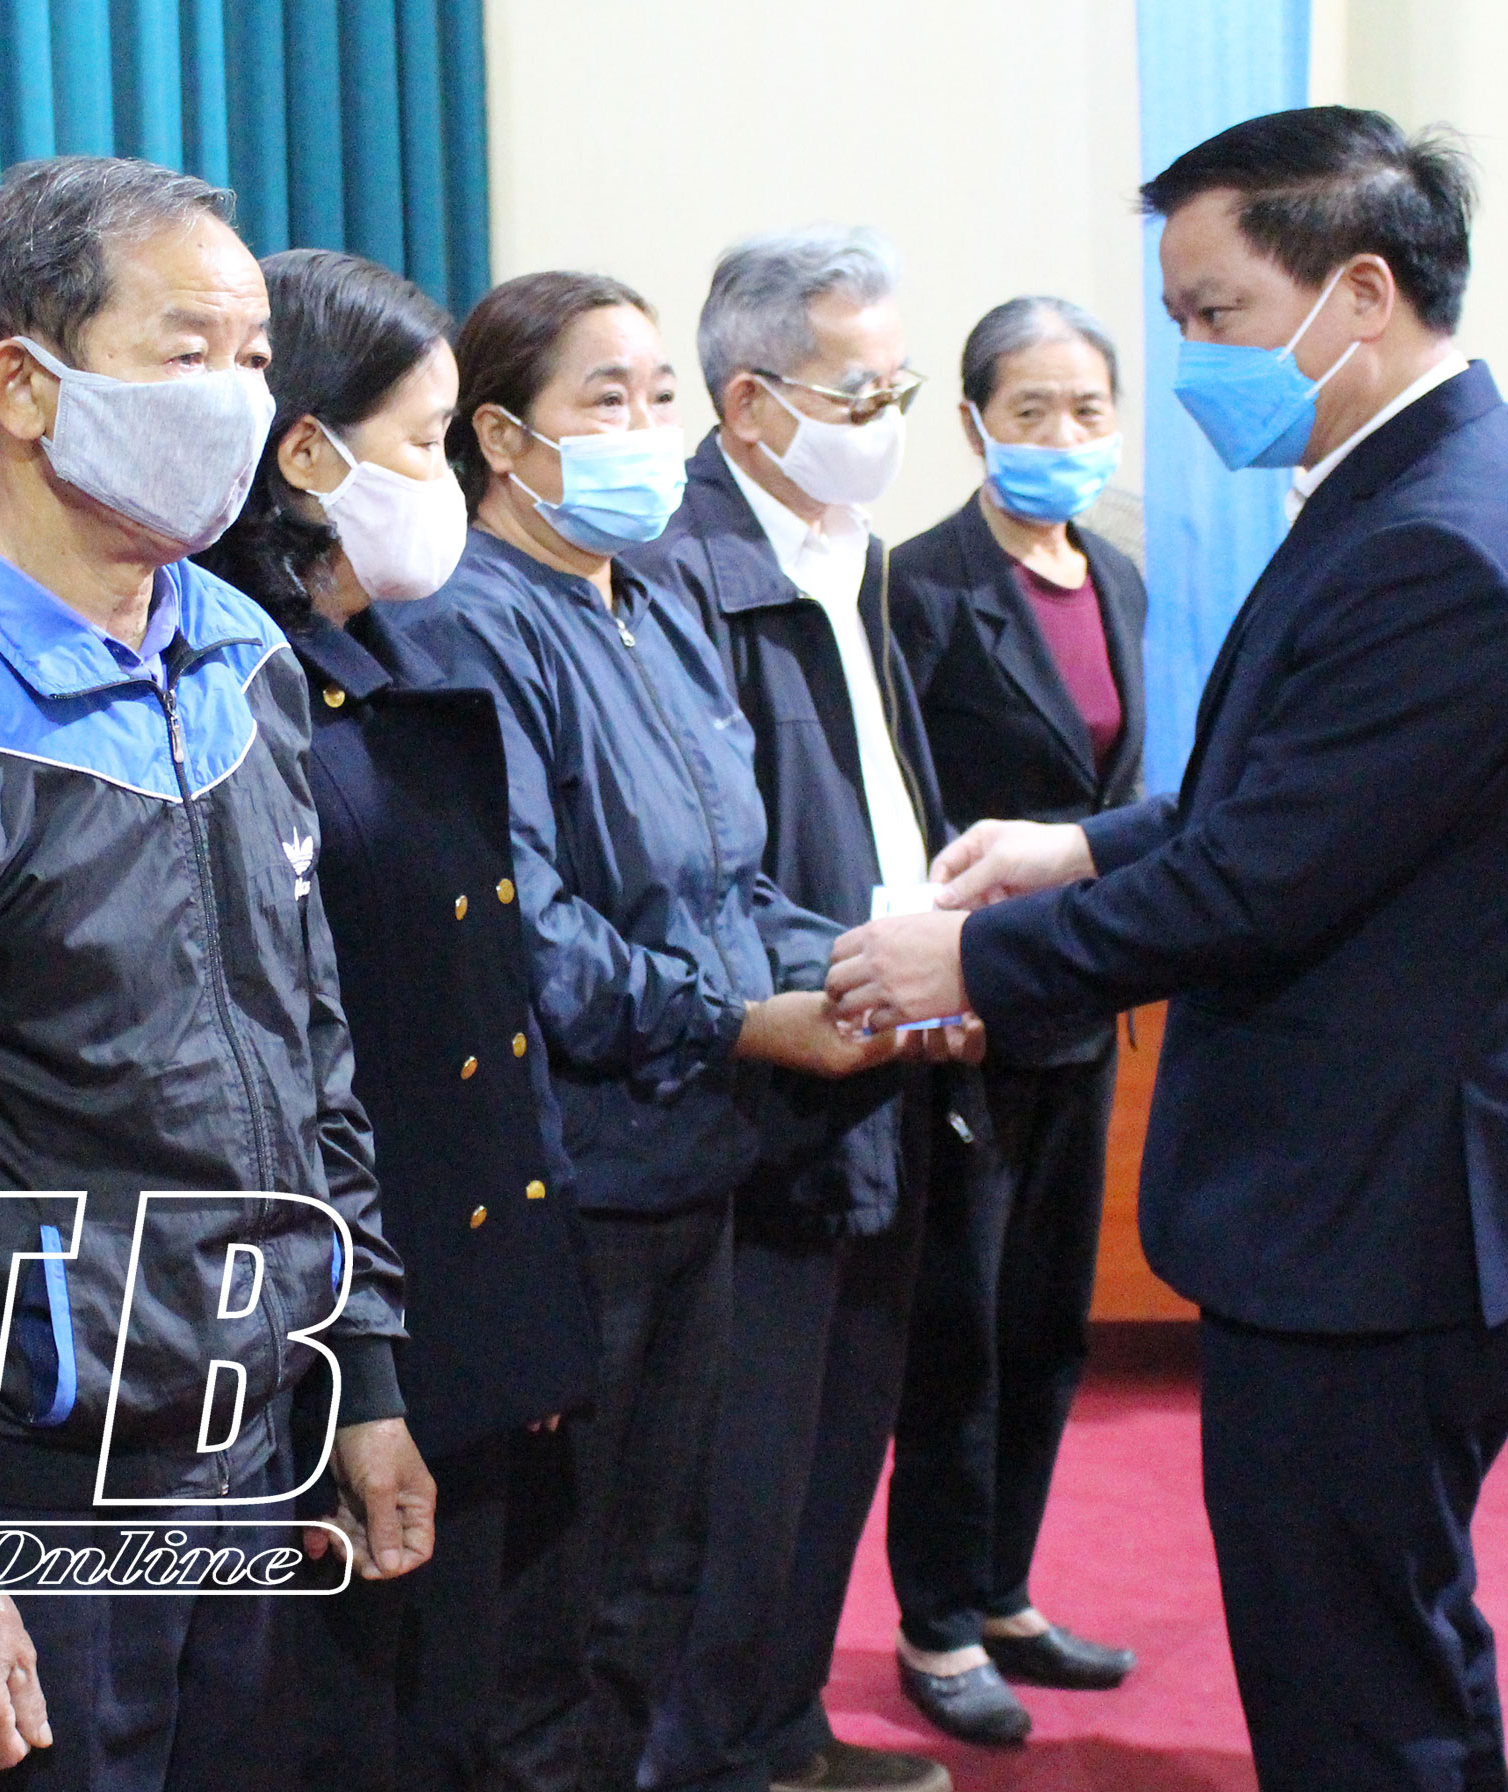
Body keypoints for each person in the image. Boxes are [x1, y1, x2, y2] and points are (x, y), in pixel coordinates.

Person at [824, 107, 1508, 1790]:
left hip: (1387, 1206)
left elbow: (1263, 883)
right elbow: (1292, 794)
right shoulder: (1437, 484)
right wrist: (1077, 845)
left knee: (1356, 1680)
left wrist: (971, 966)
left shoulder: (1441, 537)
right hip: (1399, 1191)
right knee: (1389, 1634)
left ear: (1360, 292)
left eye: (1215, 314)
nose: (1194, 357)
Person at [0, 158, 431, 1792]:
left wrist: (360, 1368)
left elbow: (312, 1045)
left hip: (254, 1440)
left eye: (255, 357)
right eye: (188, 354)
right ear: (24, 385)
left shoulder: (246, 655)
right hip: (31, 1480)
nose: (240, 399)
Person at [382, 269, 884, 1792]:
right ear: (499, 438)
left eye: (661, 395)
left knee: (663, 1572)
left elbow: (732, 883)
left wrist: (869, 970)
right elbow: (532, 935)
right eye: (607, 400)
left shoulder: (657, 597)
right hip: (571, 1190)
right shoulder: (466, 623)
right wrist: (747, 1022)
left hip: (700, 1167)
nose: (650, 429)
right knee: (549, 1602)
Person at [190, 246, 597, 1792]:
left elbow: (479, 995)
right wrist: (360, 1370)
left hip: (463, 1287)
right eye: (426, 442)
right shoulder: (239, 680)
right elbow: (292, 1057)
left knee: (470, 1707)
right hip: (343, 1316)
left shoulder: (404, 647)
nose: (451, 482)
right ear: (308, 454)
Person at [625, 226, 960, 1792]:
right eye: (859, 390)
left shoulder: (847, 545)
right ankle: (709, 1756)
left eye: (899, 384)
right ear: (752, 405)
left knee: (840, 1437)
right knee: (738, 1466)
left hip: (893, 1038)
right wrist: (856, 968)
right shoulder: (680, 570)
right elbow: (697, 857)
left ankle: (783, 1731)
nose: (887, 417)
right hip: (765, 1063)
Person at [880, 294, 1147, 1746]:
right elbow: (905, 796)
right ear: (976, 423)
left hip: (1081, 998)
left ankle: (1004, 1592)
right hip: (967, 1005)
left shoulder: (1119, 577)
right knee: (960, 1328)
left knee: (1050, 1321)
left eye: (1086, 410)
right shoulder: (920, 583)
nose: (1061, 434)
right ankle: (933, 1622)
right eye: (1030, 410)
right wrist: (954, 970)